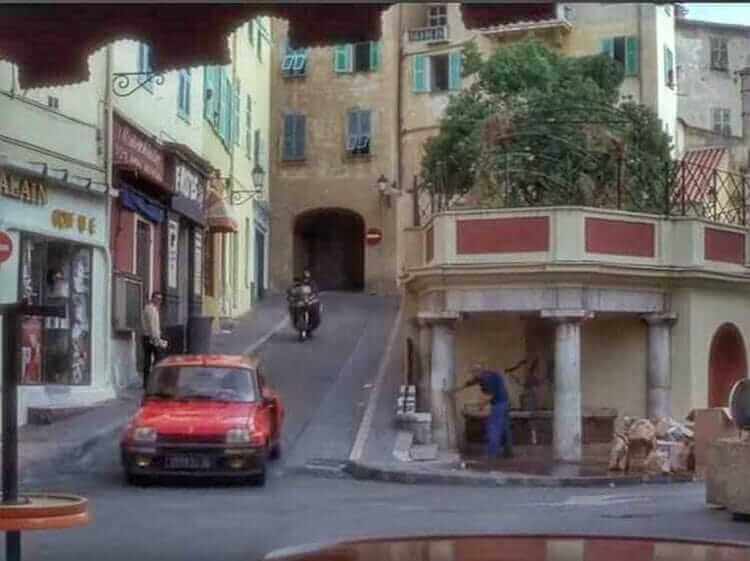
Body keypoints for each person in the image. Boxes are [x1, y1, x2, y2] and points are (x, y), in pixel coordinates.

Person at [454, 360, 526, 460]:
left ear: (479, 371)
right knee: (505, 429)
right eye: (472, 372)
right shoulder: (483, 376)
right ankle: (508, 452)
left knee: (493, 428)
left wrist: (480, 406)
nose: (473, 374)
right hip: (504, 403)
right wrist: (457, 389)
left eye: (474, 372)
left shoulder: (488, 379)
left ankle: (491, 454)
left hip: (499, 404)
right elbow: (471, 382)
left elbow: (489, 396)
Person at [142, 291, 165, 390]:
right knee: (158, 360)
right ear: (153, 298)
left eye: (160, 299)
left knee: (149, 360)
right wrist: (157, 340)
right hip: (150, 338)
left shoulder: (153, 309)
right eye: (157, 298)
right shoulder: (150, 309)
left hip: (149, 337)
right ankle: (152, 382)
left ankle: (148, 383)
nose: (159, 301)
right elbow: (152, 327)